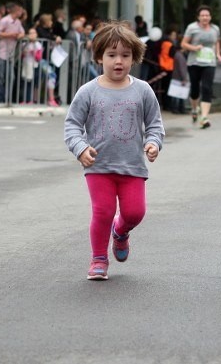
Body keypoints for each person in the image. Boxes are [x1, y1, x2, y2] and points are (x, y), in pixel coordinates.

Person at [64, 21, 165, 281]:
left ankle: (120, 233)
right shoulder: (88, 91)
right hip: (98, 166)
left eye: (125, 55)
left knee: (134, 213)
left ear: (134, 57)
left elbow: (155, 124)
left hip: (132, 165)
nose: (118, 61)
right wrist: (81, 148)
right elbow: (72, 126)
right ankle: (98, 258)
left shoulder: (143, 90)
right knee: (103, 211)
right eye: (111, 55)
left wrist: (153, 143)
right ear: (99, 57)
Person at [181, 6, 221, 129]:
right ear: (198, 17)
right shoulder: (192, 28)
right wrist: (194, 48)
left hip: (209, 62)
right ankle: (194, 109)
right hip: (194, 62)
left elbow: (217, 42)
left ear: (210, 17)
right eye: (202, 15)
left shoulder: (215, 28)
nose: (205, 17)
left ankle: (204, 117)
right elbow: (183, 43)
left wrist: (218, 54)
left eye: (207, 15)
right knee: (195, 89)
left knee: (207, 87)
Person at [0, 2, 25, 103]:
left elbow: (22, 32)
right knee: (1, 77)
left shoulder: (17, 22)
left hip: (11, 54)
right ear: (15, 10)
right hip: (2, 52)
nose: (21, 12)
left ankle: (8, 99)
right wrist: (10, 35)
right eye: (20, 10)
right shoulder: (5, 20)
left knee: (11, 77)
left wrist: (20, 35)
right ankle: (0, 99)